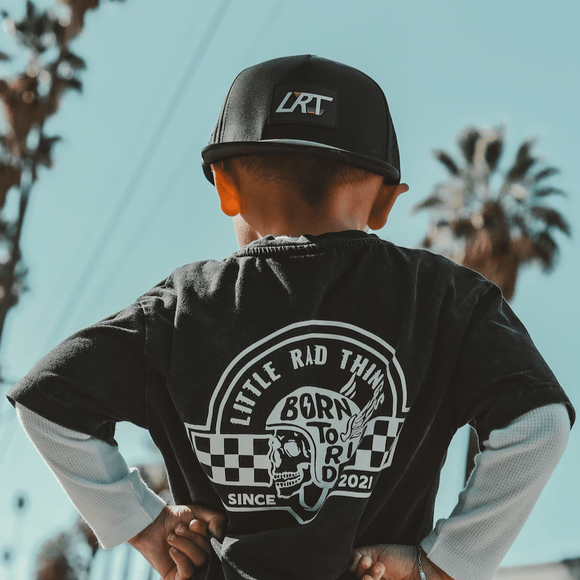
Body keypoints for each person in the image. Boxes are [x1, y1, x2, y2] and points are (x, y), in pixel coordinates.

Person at [8, 55, 574, 580]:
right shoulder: (444, 297)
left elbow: (46, 402)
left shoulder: (184, 307)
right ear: (385, 202)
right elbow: (539, 424)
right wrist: (446, 563)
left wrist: (142, 523)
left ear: (226, 187)